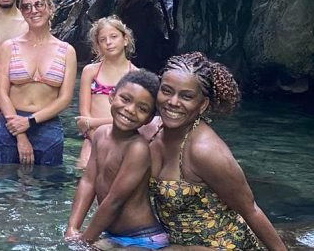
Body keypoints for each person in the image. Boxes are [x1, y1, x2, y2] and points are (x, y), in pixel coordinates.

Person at [150, 52, 286, 250]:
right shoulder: (152, 130)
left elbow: (250, 210)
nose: (173, 101)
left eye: (186, 96)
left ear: (202, 104)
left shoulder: (205, 151)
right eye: (167, 91)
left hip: (222, 245)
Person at [65, 70, 169, 249]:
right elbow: (88, 182)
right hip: (111, 233)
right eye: (126, 99)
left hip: (142, 238)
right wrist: (72, 228)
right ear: (111, 97)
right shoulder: (100, 134)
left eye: (142, 109)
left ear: (149, 119)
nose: (130, 110)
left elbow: (115, 200)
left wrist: (85, 240)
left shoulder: (137, 149)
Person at [0, 0, 76, 166]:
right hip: (11, 122)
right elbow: (1, 93)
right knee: (4, 186)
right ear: (22, 12)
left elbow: (65, 98)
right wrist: (20, 133)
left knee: (47, 186)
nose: (34, 11)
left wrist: (30, 121)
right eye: (27, 7)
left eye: (39, 4)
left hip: (47, 122)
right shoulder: (9, 47)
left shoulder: (67, 51)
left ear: (50, 8)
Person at [76, 16, 137, 169]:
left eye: (114, 37)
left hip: (124, 138)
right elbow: (84, 115)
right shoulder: (90, 72)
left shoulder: (135, 75)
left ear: (125, 40)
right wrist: (95, 139)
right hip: (92, 137)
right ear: (98, 46)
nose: (108, 42)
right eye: (103, 40)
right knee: (85, 171)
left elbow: (134, 118)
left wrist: (93, 122)